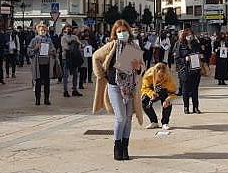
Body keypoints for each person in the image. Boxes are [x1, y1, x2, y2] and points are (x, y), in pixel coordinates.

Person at [92, 19, 144, 161]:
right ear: (115, 33)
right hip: (114, 86)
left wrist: (138, 67)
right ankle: (117, 147)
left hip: (130, 88)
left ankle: (125, 148)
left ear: (128, 31)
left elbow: (141, 66)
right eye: (119, 31)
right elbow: (95, 56)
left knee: (128, 119)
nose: (122, 33)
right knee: (120, 117)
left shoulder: (134, 46)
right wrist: (101, 75)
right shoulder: (111, 46)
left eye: (124, 31)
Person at [141, 63, 177, 130]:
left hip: (164, 92)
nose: (161, 78)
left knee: (168, 103)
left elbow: (174, 92)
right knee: (144, 101)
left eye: (163, 76)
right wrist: (152, 94)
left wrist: (168, 99)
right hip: (151, 90)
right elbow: (144, 88)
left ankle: (165, 123)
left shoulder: (168, 78)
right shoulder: (148, 76)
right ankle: (154, 121)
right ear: (155, 73)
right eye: (159, 75)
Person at [175, 28, 203, 114]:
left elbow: (201, 53)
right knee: (185, 90)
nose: (189, 36)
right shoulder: (180, 44)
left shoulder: (196, 43)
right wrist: (185, 59)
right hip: (185, 70)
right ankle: (186, 107)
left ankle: (195, 107)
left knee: (195, 89)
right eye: (187, 35)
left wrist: (200, 56)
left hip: (195, 70)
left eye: (191, 34)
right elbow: (177, 58)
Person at [29, 23, 57, 105]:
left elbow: (53, 50)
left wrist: (52, 52)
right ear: (38, 31)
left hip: (47, 63)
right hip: (38, 64)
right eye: (41, 30)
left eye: (44, 30)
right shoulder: (34, 40)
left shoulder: (49, 40)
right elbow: (29, 51)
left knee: (47, 82)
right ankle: (37, 100)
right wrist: (36, 48)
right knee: (38, 82)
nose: (43, 32)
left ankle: (46, 99)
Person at [60, 25, 82, 97]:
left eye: (70, 29)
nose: (69, 30)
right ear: (65, 30)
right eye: (67, 29)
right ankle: (65, 90)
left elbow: (79, 44)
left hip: (74, 58)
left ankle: (74, 89)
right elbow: (65, 47)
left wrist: (75, 44)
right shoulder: (63, 37)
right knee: (66, 75)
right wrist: (73, 44)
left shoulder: (75, 37)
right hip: (66, 57)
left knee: (75, 74)